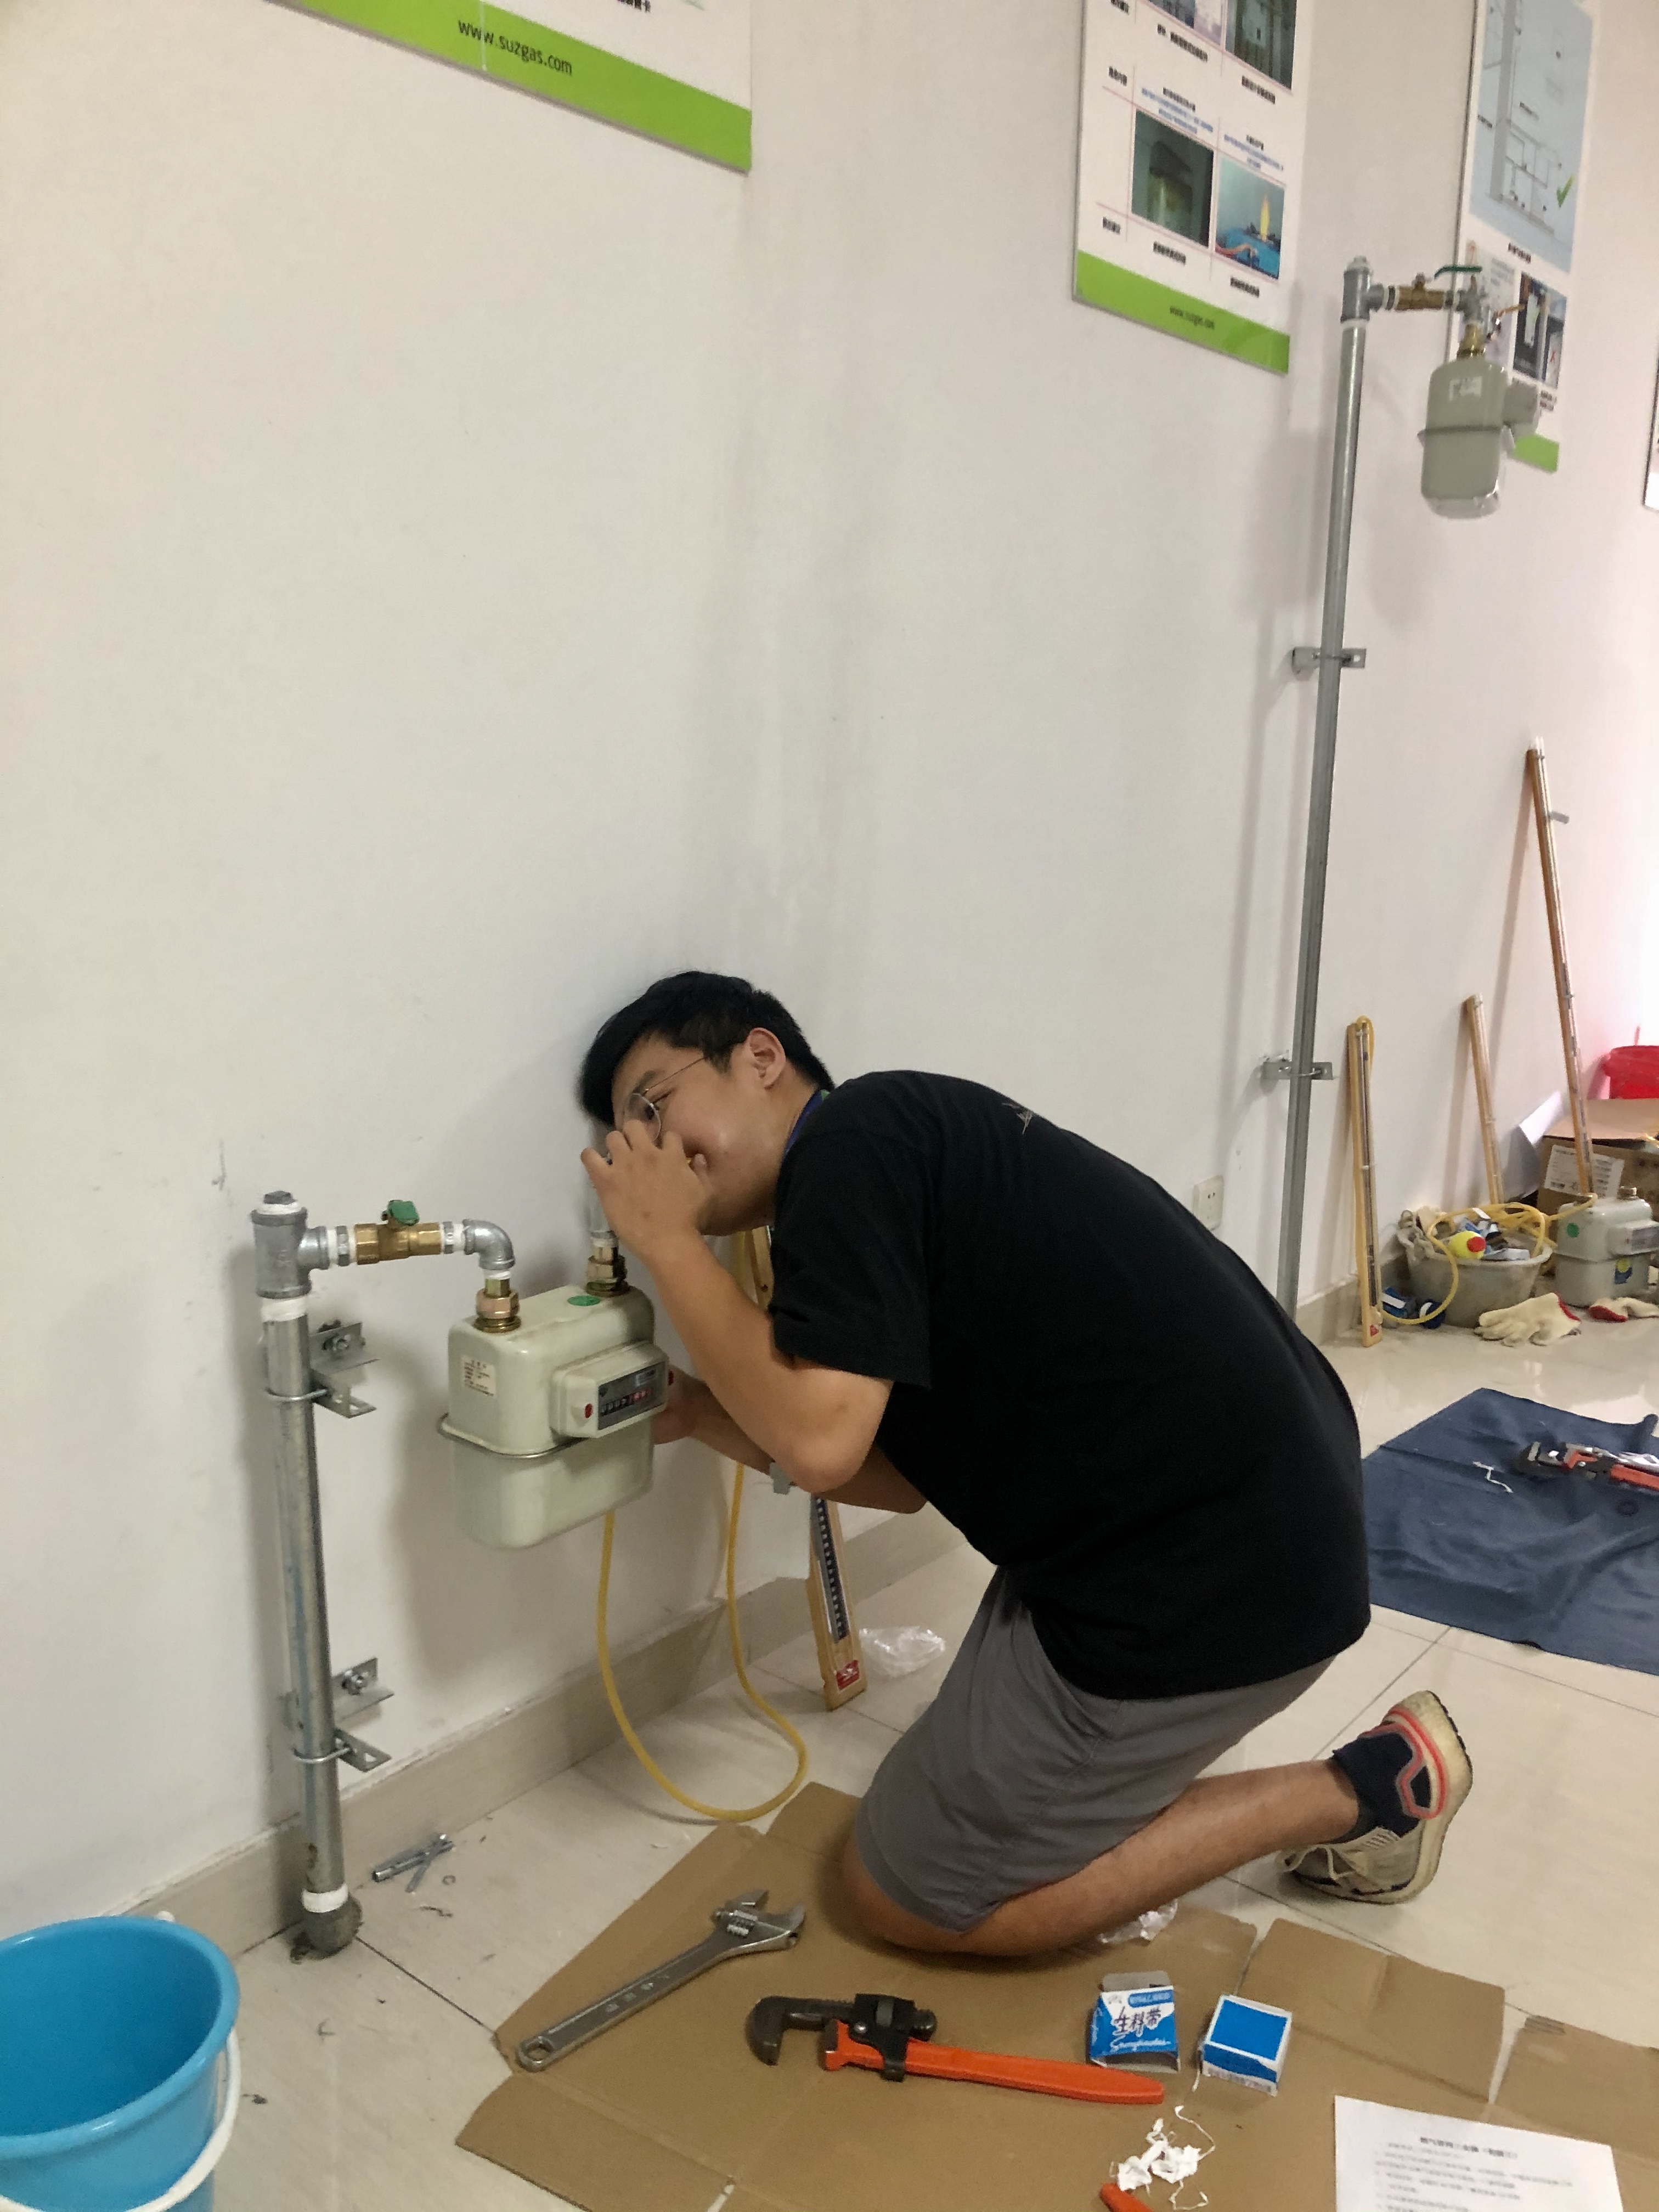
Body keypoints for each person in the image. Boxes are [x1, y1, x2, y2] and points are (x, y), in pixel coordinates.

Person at [578, 972, 1472, 1956]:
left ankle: (1369, 1789)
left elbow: (821, 1443)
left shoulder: (842, 1151)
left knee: (906, 1895)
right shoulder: (889, 1144)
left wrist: (666, 1243)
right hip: (1249, 1516)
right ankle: (1118, 1775)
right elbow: (892, 1477)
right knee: (938, 1803)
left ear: (760, 1057)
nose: (647, 1150)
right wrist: (696, 1410)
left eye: (655, 1105)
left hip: (1212, 1584)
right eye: (626, 1133)